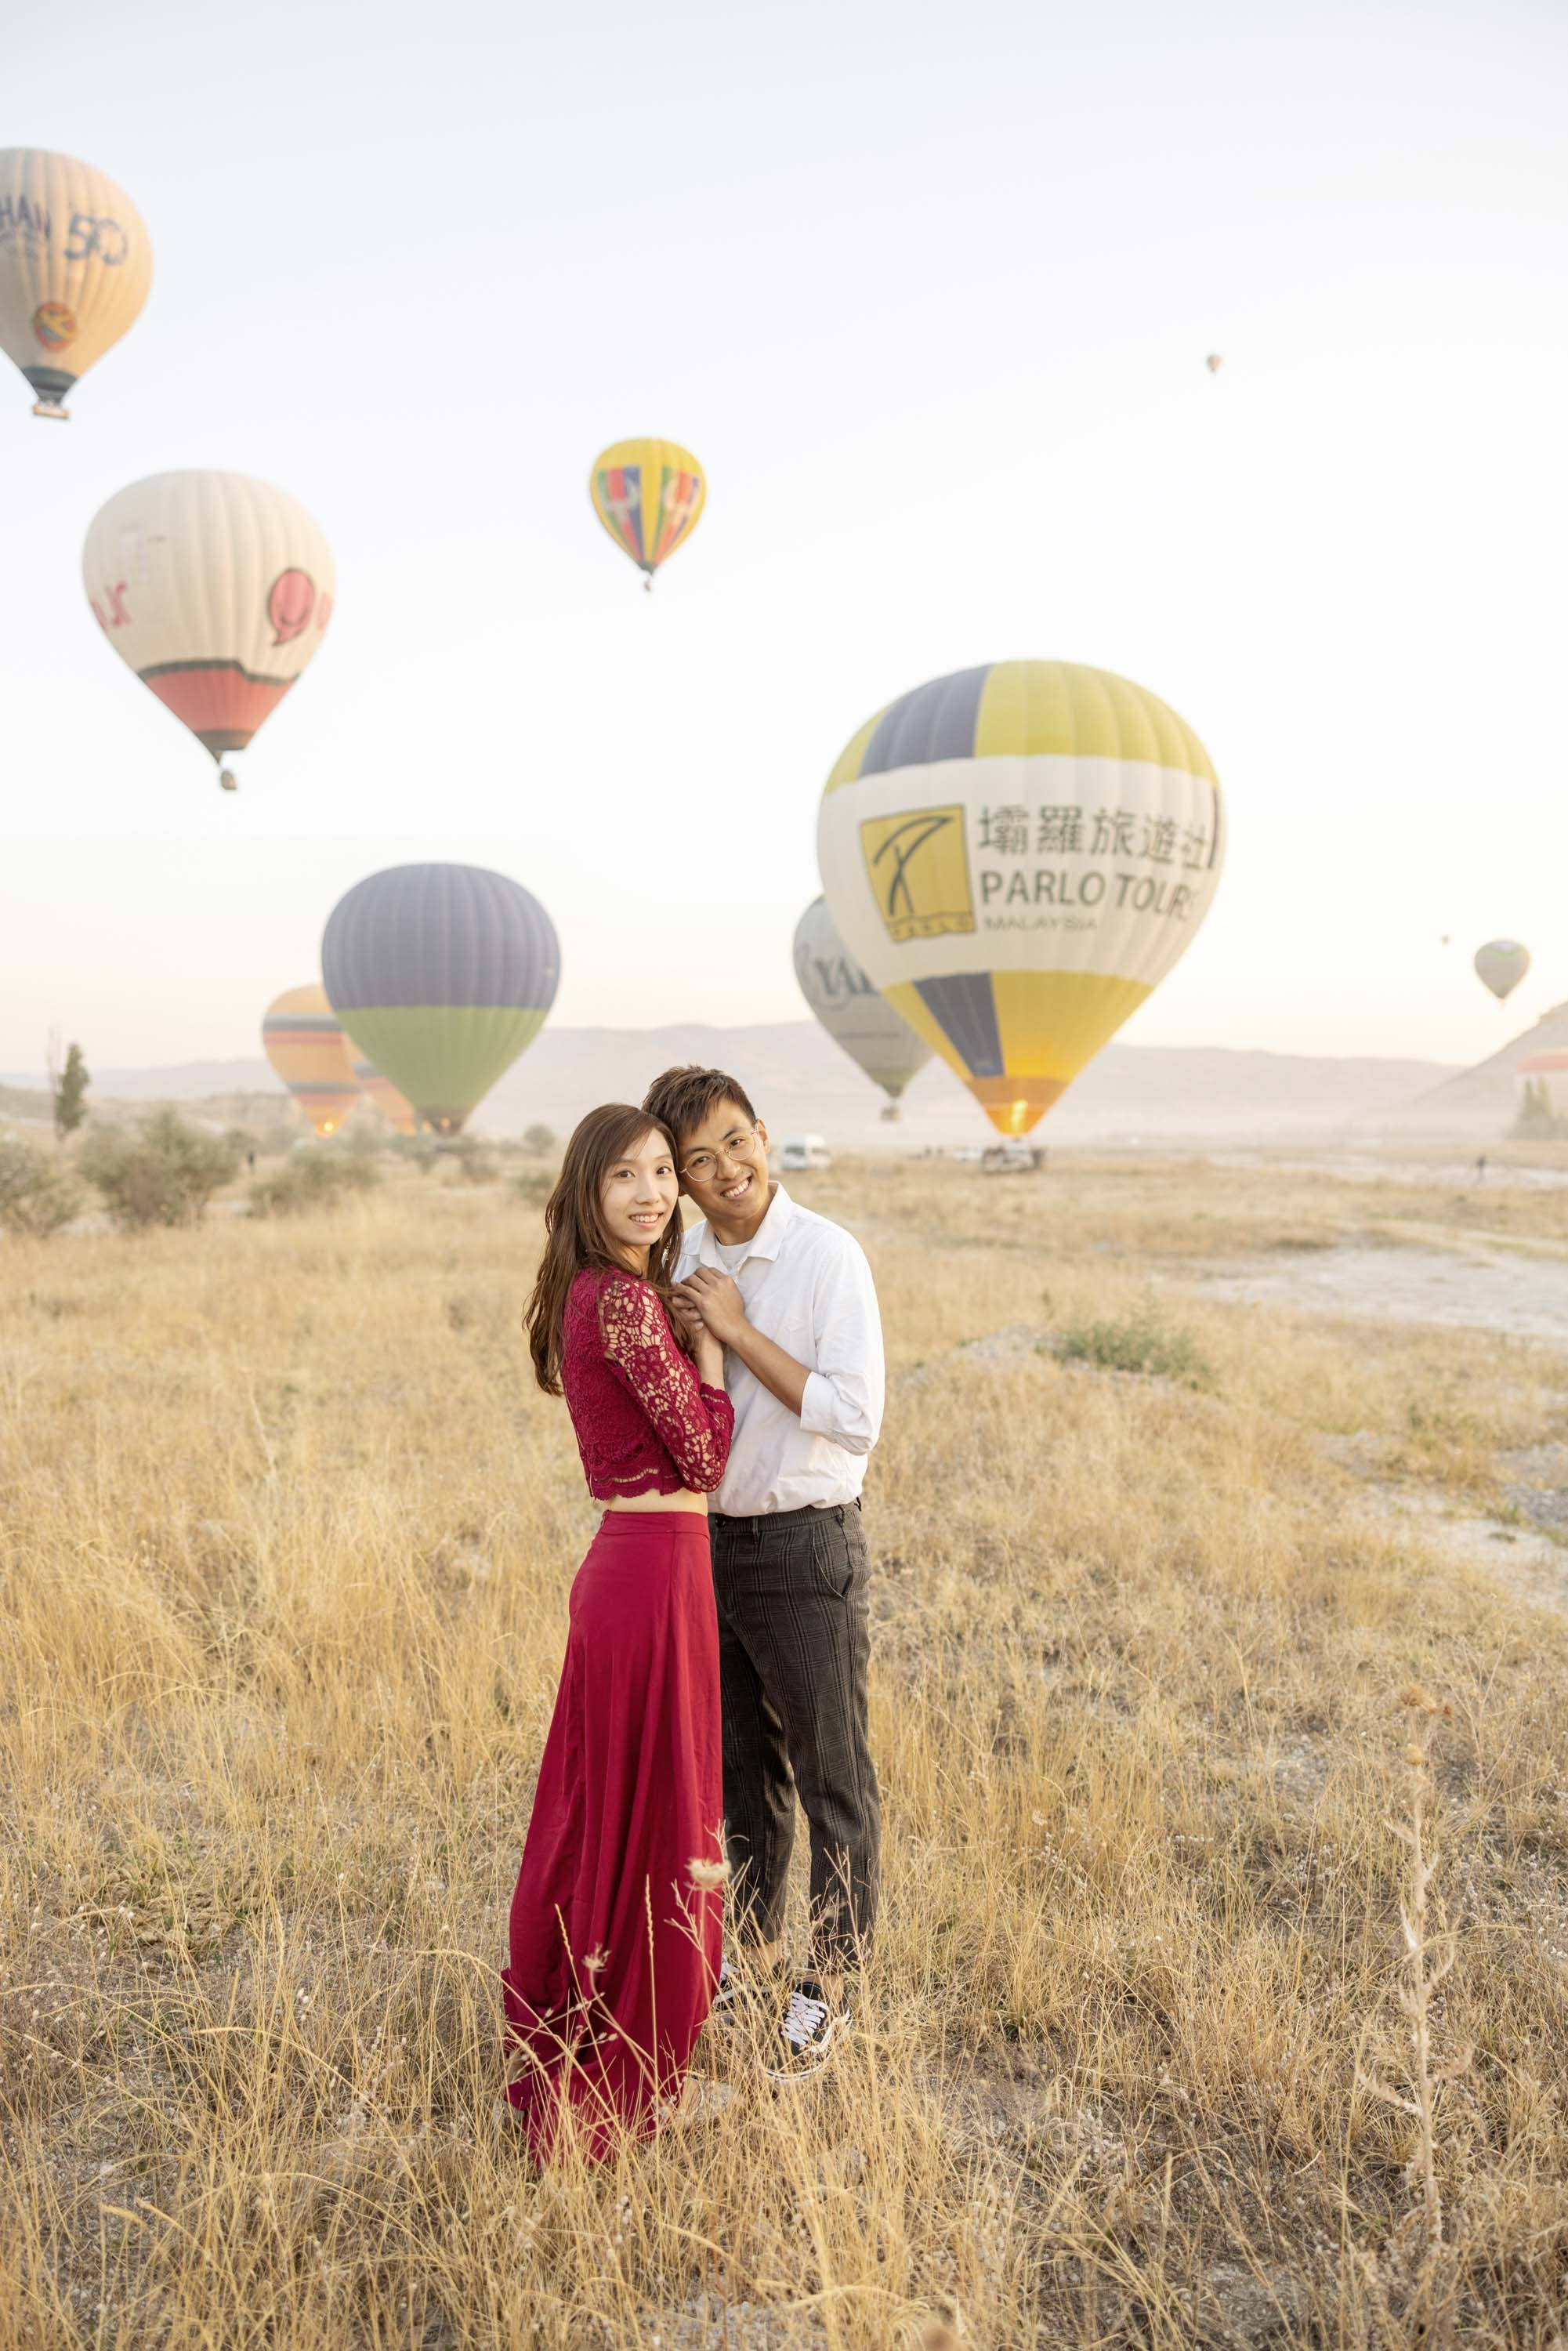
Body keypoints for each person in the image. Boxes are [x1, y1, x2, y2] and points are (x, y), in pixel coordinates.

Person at [642, 1063, 884, 2078]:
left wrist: (737, 1330)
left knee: (831, 1776)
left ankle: (826, 1986)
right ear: (681, 1182)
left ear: (765, 1136)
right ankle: (752, 1955)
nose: (722, 1168)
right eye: (696, 1160)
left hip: (800, 1542)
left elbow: (852, 1413)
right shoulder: (681, 1261)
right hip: (709, 1548)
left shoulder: (826, 1256)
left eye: (733, 1142)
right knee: (742, 1779)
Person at [503, 1104, 734, 2161]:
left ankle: (622, 2042)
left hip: (642, 1571)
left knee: (621, 1814)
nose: (651, 1193)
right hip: (649, 1573)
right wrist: (715, 1352)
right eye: (624, 1179)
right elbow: (702, 1456)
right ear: (588, 1196)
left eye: (660, 1173)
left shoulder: (596, 1293)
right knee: (655, 1819)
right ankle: (640, 2076)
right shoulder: (630, 1304)